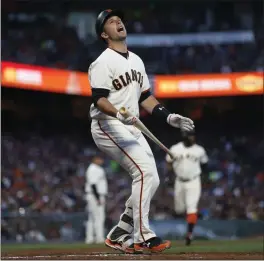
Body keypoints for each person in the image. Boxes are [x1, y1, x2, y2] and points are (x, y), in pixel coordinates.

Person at [88, 9, 195, 254]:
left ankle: (119, 232)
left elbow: (145, 96)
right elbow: (98, 100)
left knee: (152, 178)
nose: (118, 23)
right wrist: (117, 113)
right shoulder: (102, 62)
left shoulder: (136, 60)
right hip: (107, 125)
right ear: (104, 34)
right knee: (145, 173)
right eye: (112, 22)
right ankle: (143, 236)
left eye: (119, 20)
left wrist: (168, 116)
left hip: (132, 125)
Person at [165, 130, 208, 246]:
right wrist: (169, 175)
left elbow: (205, 166)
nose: (192, 138)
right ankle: (193, 218)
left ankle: (189, 233)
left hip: (194, 180)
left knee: (191, 207)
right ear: (184, 137)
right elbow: (168, 162)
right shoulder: (175, 148)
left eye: (193, 136)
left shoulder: (199, 150)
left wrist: (205, 180)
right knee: (179, 209)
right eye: (190, 136)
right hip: (179, 181)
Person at [85, 155, 108, 244]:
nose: (101, 160)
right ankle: (99, 238)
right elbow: (93, 184)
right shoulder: (93, 169)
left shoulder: (95, 168)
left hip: (93, 195)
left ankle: (89, 238)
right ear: (95, 159)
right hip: (95, 196)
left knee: (92, 218)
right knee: (99, 217)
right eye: (100, 159)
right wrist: (98, 198)